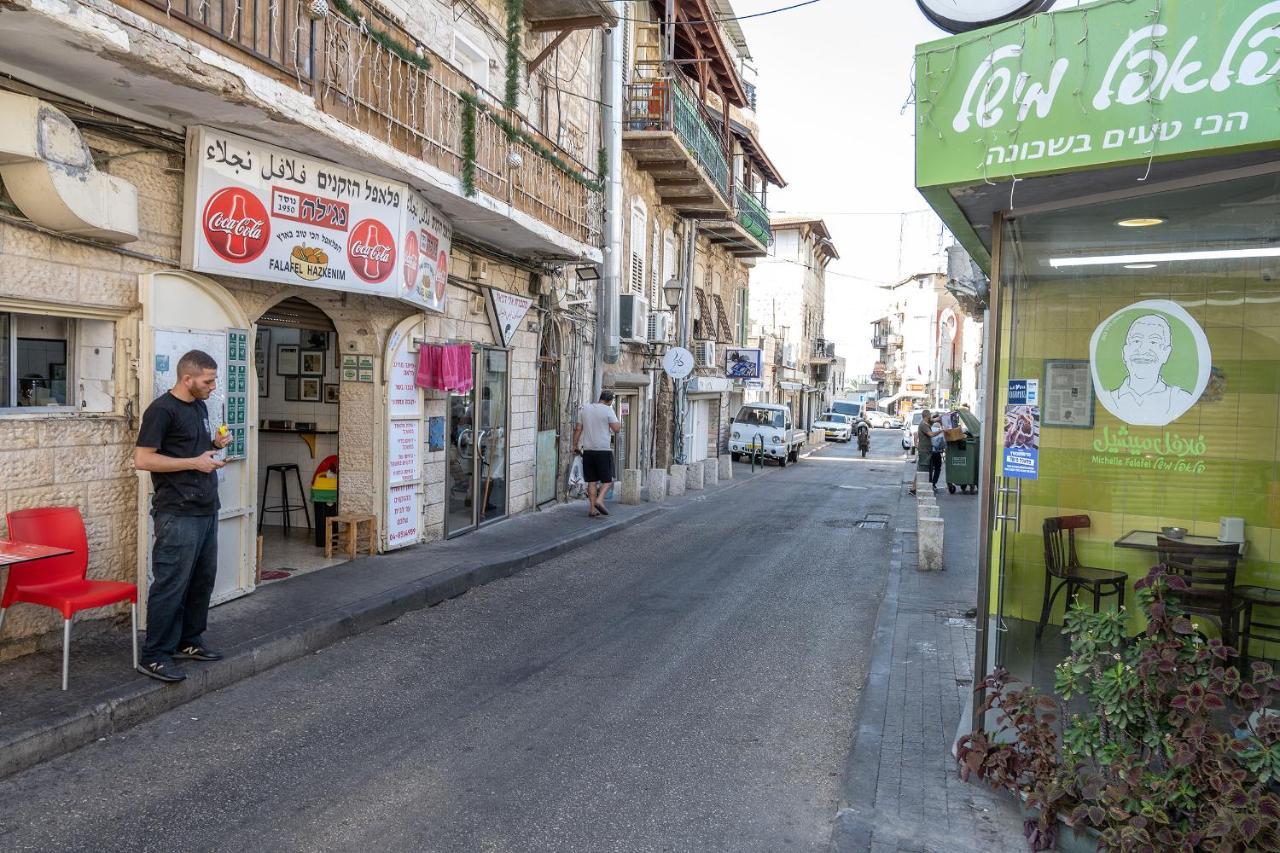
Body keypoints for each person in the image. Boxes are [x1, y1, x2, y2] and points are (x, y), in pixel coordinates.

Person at [133, 350, 231, 683]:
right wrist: (194, 463)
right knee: (171, 583)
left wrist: (215, 444)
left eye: (214, 379)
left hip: (205, 507)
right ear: (187, 379)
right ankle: (155, 655)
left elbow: (196, 450)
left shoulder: (201, 406)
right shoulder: (161, 410)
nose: (213, 386)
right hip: (177, 511)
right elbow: (143, 459)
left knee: (202, 580)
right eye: (208, 380)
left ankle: (188, 641)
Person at [1104, 313, 1194, 425]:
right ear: (1125, 352)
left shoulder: (1181, 399)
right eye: (1136, 341)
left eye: (1153, 342)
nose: (1143, 350)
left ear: (1166, 353)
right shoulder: (1108, 399)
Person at [572, 390, 621, 518]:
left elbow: (578, 429)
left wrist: (575, 445)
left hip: (588, 451)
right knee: (608, 480)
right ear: (610, 401)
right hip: (603, 450)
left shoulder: (585, 409)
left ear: (600, 398)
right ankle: (600, 500)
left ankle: (592, 509)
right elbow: (616, 429)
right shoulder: (608, 410)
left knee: (591, 481)